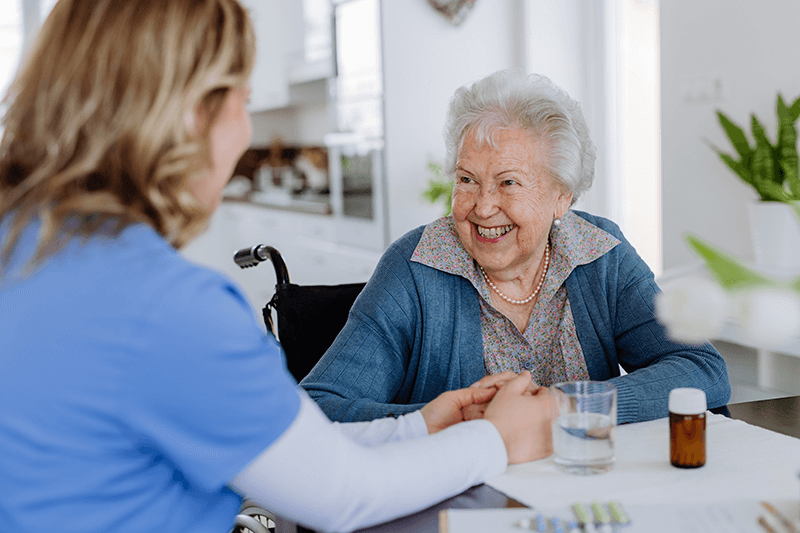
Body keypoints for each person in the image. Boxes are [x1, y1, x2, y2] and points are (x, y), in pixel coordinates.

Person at [0, 3, 556, 533]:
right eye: (242, 102)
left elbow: (281, 452)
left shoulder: (23, 245)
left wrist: (419, 427)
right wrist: (495, 441)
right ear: (194, 113)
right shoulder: (164, 307)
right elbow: (342, 493)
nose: (245, 132)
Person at [301, 69, 732, 424]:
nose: (483, 207)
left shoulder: (600, 254)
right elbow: (319, 407)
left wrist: (563, 407)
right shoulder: (414, 267)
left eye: (508, 183)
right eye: (467, 180)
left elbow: (701, 370)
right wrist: (468, 420)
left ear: (561, 195)